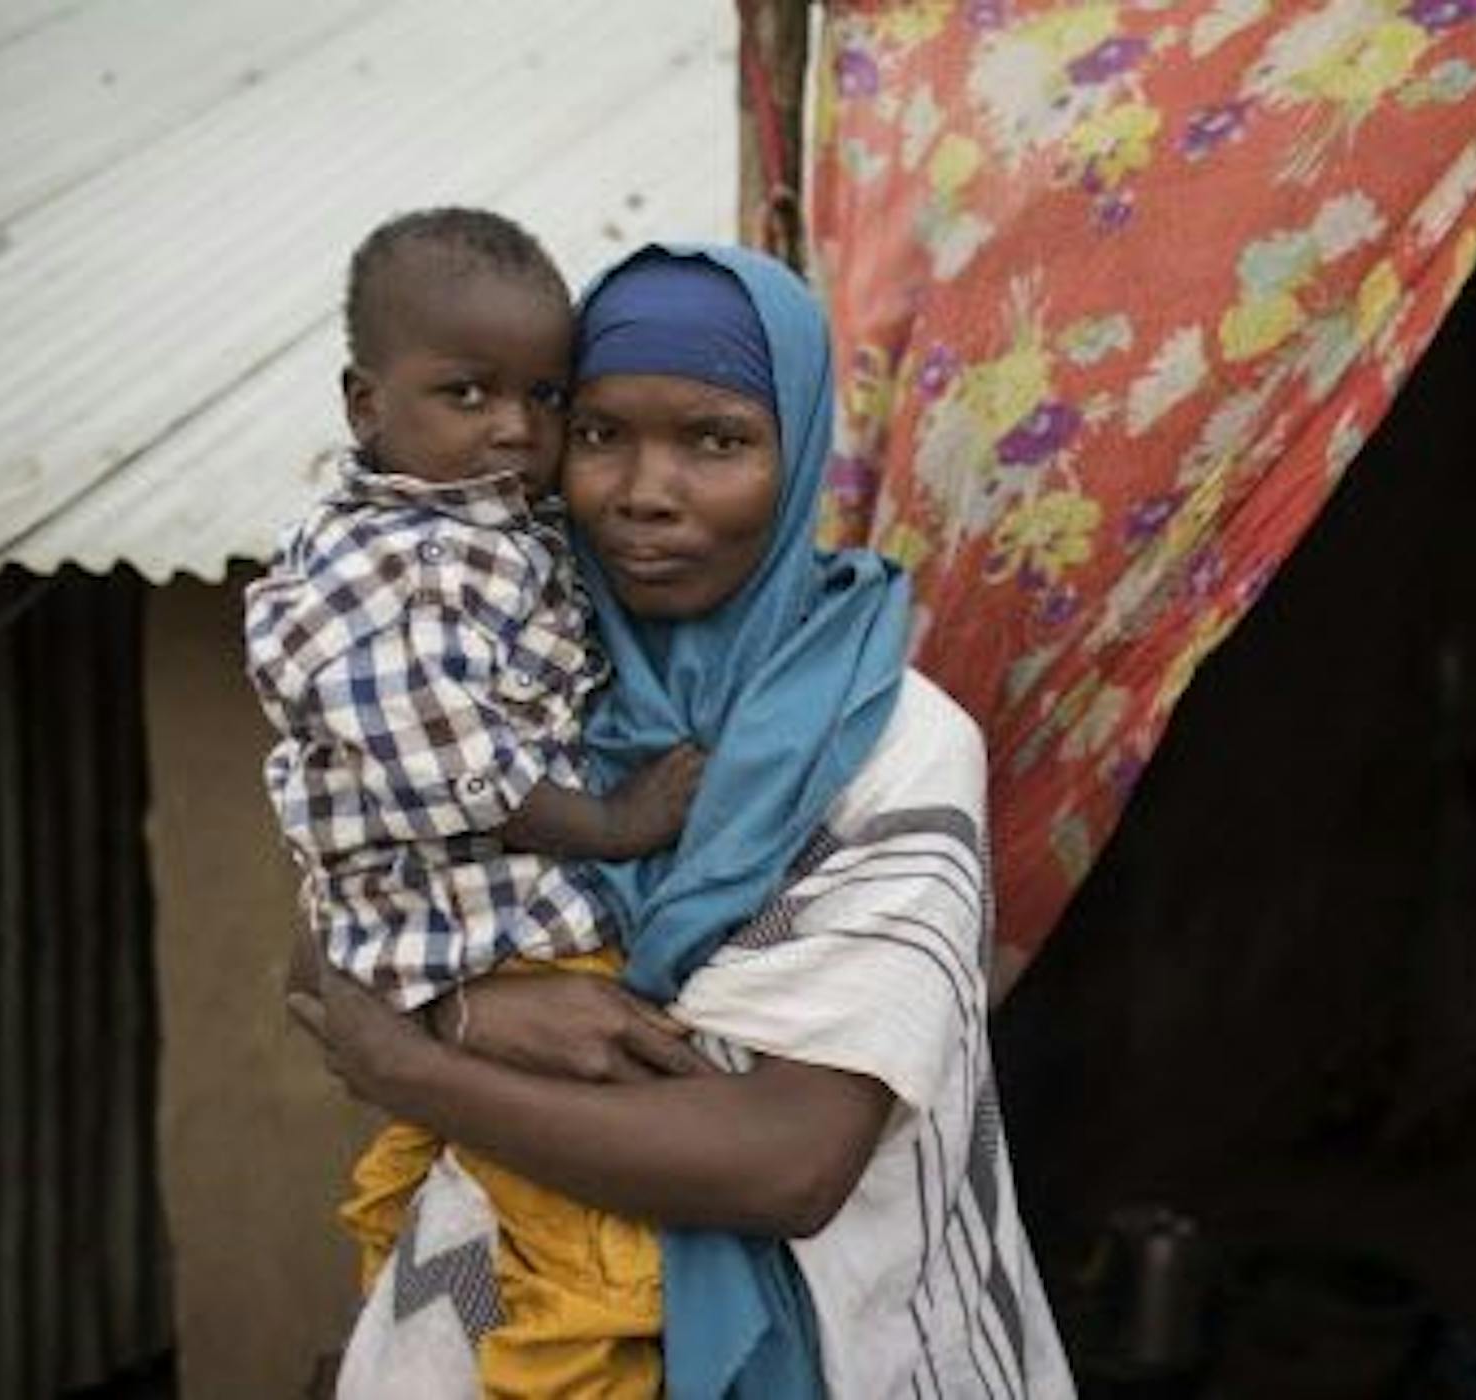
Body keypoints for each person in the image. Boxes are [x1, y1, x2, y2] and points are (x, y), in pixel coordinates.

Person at [290, 242, 1076, 1399]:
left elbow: (790, 1161)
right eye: (602, 432)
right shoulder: (505, 679)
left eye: (716, 440)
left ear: (797, 448)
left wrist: (415, 1060)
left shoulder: (888, 743)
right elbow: (320, 945)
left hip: (841, 1348)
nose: (645, 490)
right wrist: (469, 1005)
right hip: (489, 1341)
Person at [245, 208, 705, 1397]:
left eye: (546, 398)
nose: (515, 428)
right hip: (480, 946)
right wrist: (615, 823)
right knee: (589, 1276)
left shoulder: (489, 527)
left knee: (436, 1204)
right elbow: (441, 759)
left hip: (456, 961)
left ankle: (413, 1350)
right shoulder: (388, 559)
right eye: (467, 393)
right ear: (364, 405)